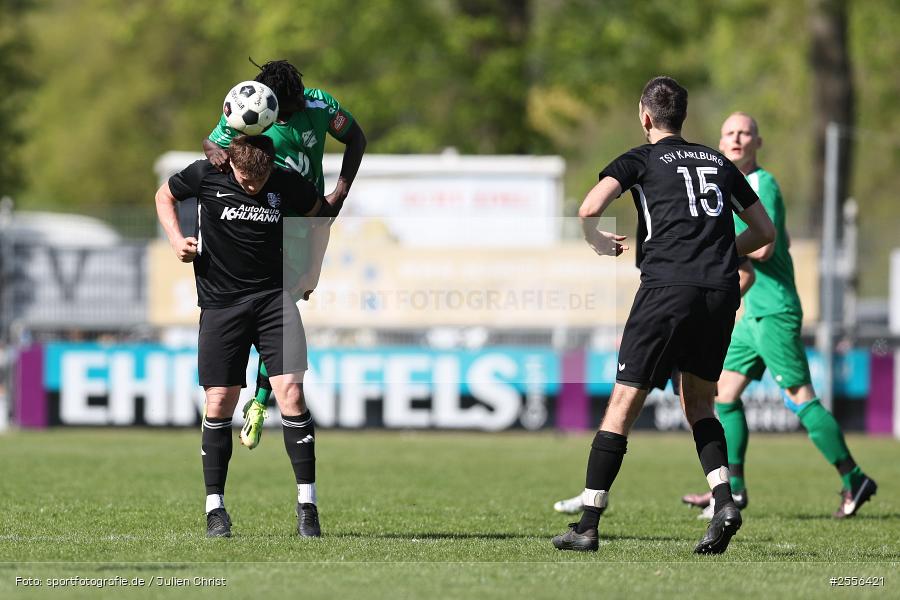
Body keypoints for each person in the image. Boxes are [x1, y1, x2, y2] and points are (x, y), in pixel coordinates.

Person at [550, 76, 775, 554]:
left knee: (622, 404)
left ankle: (586, 525)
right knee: (699, 403)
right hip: (718, 292)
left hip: (666, 291)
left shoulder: (641, 157)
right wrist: (717, 253)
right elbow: (763, 230)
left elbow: (589, 208)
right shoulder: (717, 161)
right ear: (685, 118)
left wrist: (595, 241)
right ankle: (724, 500)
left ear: (645, 117)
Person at [678, 112, 877, 519]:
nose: (736, 139)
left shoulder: (760, 183)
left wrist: (715, 253)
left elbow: (766, 249)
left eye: (744, 133)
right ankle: (731, 488)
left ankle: (853, 477)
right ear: (720, 141)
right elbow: (775, 241)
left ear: (757, 142)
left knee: (800, 398)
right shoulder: (732, 187)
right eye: (729, 132)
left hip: (776, 312)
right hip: (754, 314)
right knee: (724, 394)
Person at [155, 135, 342, 538]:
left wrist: (310, 271)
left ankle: (307, 506)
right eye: (245, 177)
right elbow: (163, 196)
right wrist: (175, 240)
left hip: (274, 300)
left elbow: (320, 217)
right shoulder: (206, 173)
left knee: (291, 395)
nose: (252, 185)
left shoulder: (285, 182)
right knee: (219, 401)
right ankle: (215, 509)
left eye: (259, 179)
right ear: (232, 164)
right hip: (221, 306)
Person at [203, 59, 367, 451]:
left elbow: (356, 138)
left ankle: (260, 400)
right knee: (277, 304)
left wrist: (340, 193)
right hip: (267, 220)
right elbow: (211, 141)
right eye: (285, 103)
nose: (290, 109)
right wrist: (215, 154)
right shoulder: (255, 110)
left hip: (309, 221)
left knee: (291, 299)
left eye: (293, 101)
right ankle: (259, 402)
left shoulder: (319, 105)